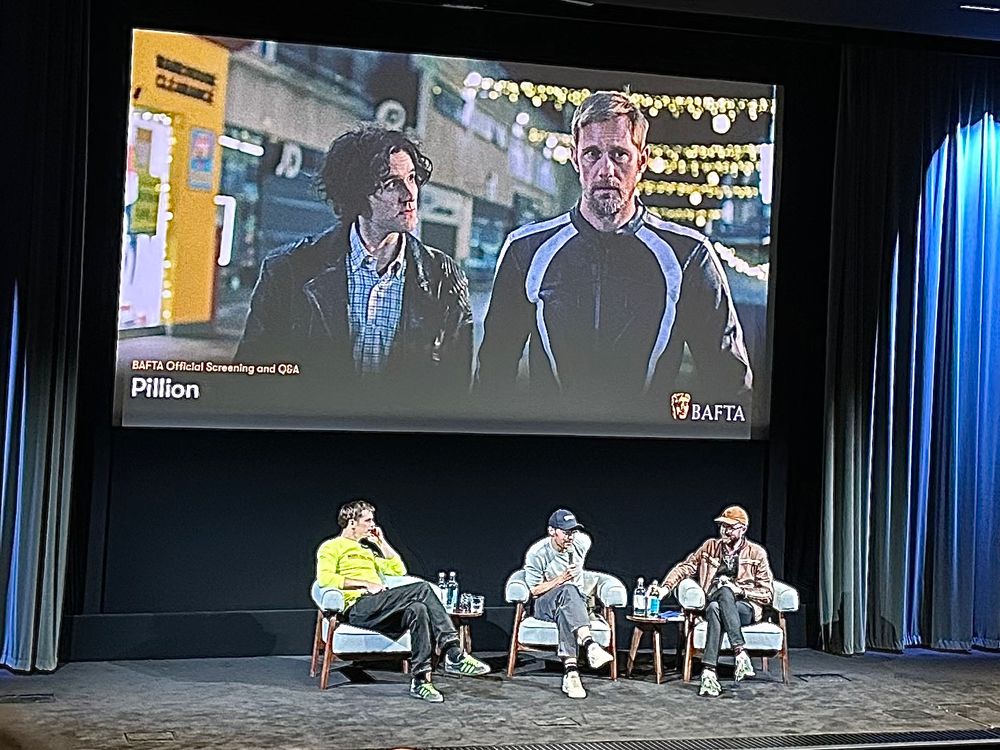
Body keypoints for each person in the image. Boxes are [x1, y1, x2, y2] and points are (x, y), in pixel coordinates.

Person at [476, 90, 752, 417]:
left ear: (642, 161)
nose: (605, 170)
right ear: (575, 159)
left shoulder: (689, 256)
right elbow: (492, 376)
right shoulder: (526, 250)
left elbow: (731, 386)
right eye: (592, 154)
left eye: (619, 154)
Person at [236, 125, 473, 406]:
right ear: (357, 195)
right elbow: (251, 378)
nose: (410, 195)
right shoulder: (288, 270)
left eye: (411, 178)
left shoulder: (443, 278)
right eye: (391, 183)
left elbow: (454, 392)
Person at [315, 500, 490, 702]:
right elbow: (325, 579)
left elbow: (399, 570)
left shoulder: (367, 551)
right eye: (368, 520)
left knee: (418, 609)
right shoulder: (331, 547)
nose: (373, 524)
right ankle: (453, 651)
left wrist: (382, 543)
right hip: (357, 607)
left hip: (379, 607)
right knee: (422, 588)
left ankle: (421, 681)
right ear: (352, 522)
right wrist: (365, 583)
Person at [657, 505, 774, 697]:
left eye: (730, 527)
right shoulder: (710, 546)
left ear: (743, 529)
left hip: (743, 608)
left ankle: (709, 672)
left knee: (715, 607)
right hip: (713, 595)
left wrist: (740, 590)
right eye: (722, 526)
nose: (725, 531)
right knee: (718, 596)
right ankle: (740, 652)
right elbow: (685, 567)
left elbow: (767, 593)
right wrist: (665, 588)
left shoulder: (756, 553)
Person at [521, 509, 615, 699]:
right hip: (544, 603)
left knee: (567, 609)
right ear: (551, 531)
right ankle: (590, 644)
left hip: (574, 604)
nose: (570, 537)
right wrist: (560, 579)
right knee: (568, 590)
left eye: (573, 531)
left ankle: (571, 674)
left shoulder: (582, 542)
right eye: (565, 532)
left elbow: (581, 542)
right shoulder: (537, 553)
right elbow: (534, 590)